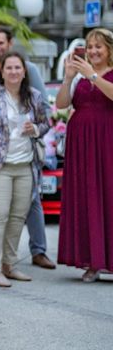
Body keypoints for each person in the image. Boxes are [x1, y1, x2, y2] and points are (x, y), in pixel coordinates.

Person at [0, 25, 55, 270]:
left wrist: (37, 129)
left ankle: (35, 252)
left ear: (9, 44)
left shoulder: (29, 78)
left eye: (1, 43)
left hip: (25, 159)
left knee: (25, 209)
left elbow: (45, 115)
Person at [56, 28, 113, 283]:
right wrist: (68, 79)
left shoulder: (100, 75)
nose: (92, 51)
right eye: (89, 47)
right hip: (81, 144)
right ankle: (92, 262)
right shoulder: (79, 77)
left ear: (109, 49)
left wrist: (92, 75)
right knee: (87, 197)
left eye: (98, 46)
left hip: (107, 141)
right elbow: (60, 104)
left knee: (109, 197)